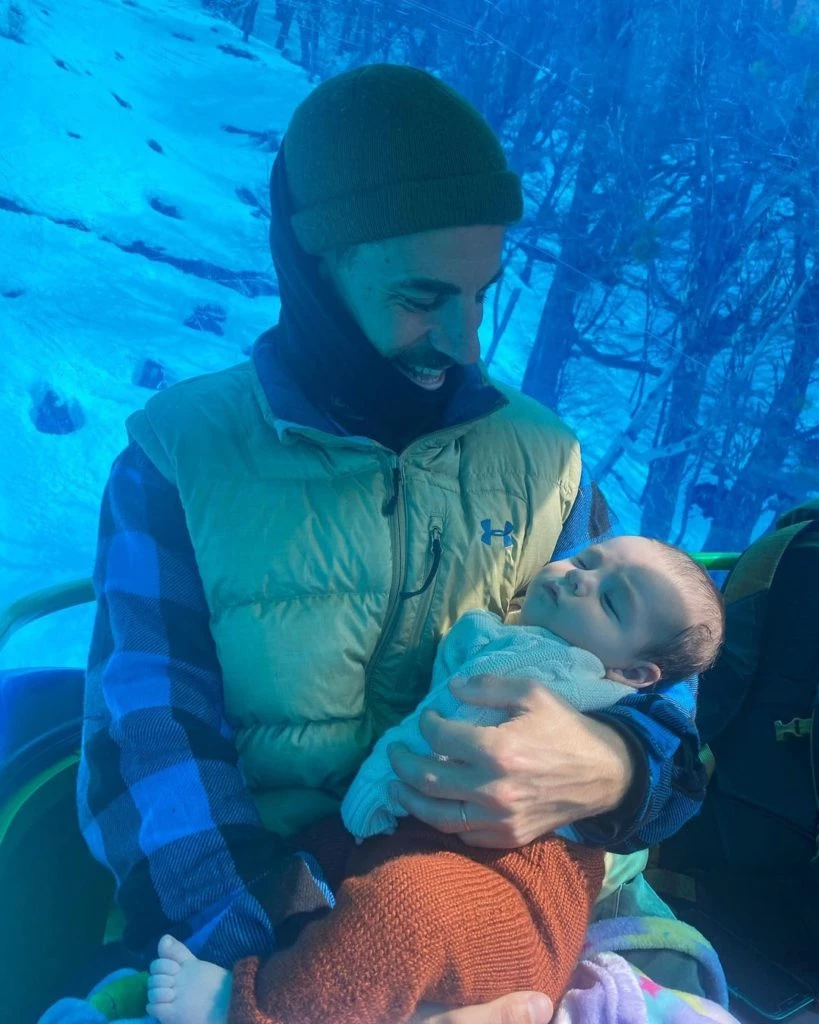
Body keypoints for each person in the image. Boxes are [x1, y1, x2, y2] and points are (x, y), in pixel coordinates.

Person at [78, 64, 709, 1024]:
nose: (464, 342)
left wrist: (612, 768)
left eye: (482, 295)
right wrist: (292, 963)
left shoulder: (544, 460)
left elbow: (667, 680)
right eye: (422, 298)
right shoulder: (183, 462)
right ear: (316, 268)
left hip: (509, 900)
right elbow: (152, 752)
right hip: (277, 918)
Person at [143, 536, 725, 1024]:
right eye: (585, 560)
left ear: (634, 673)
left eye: (612, 601)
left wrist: (621, 763)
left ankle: (251, 1009)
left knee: (404, 910)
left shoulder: (589, 682)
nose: (579, 578)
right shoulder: (508, 638)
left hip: (519, 896)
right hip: (414, 841)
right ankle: (306, 975)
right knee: (312, 860)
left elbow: (679, 755)